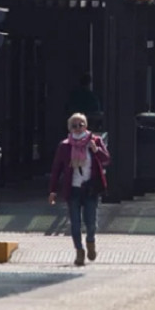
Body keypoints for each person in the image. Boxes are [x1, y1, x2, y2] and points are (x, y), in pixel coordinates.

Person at [49, 112, 111, 266]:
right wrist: (53, 190)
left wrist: (96, 150)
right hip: (73, 189)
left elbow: (107, 160)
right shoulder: (65, 146)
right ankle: (79, 251)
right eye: (74, 126)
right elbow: (57, 169)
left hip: (90, 189)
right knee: (75, 224)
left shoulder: (95, 141)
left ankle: (90, 241)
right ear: (69, 129)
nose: (78, 128)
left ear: (86, 126)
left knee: (91, 223)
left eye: (80, 125)